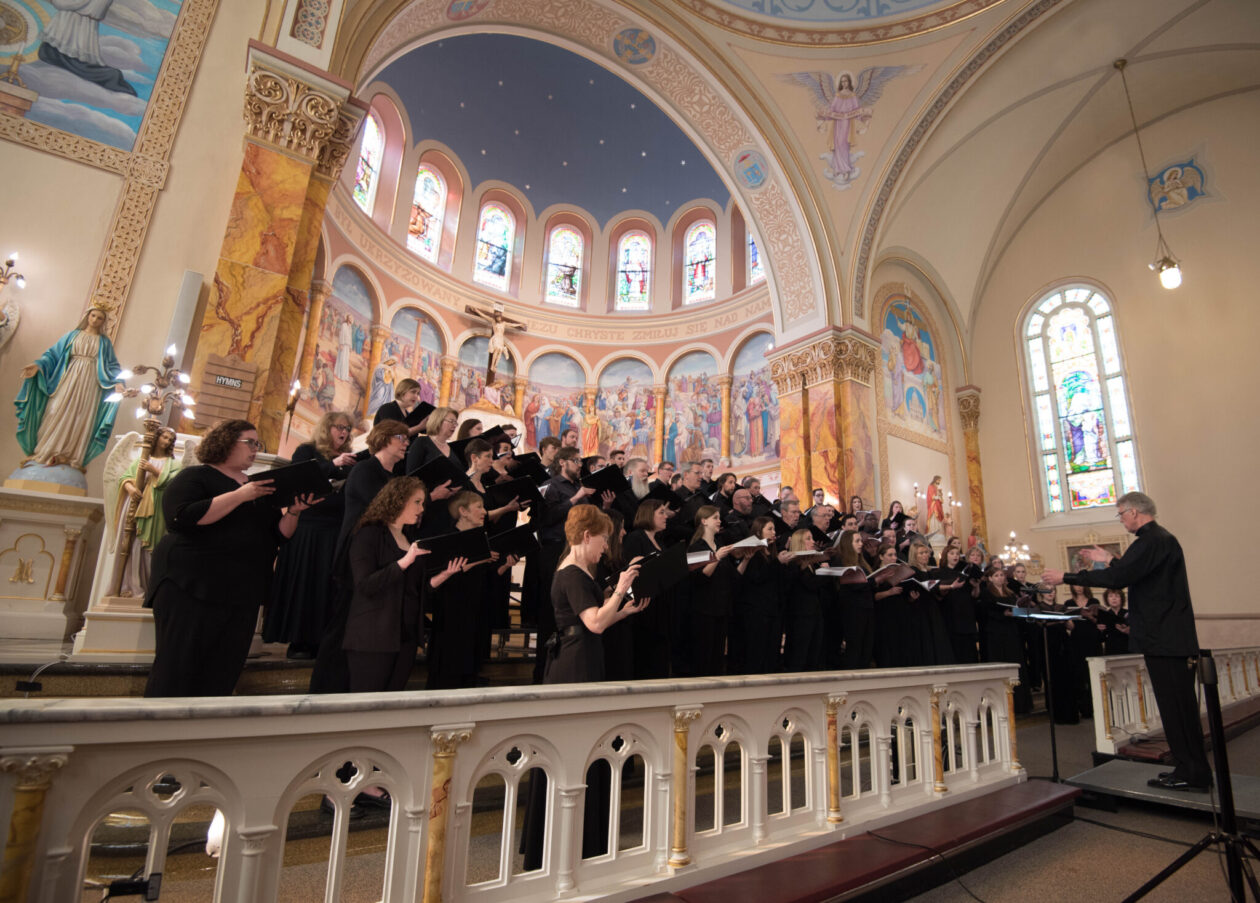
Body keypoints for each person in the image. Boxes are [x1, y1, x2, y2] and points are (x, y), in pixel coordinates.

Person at [1042, 491, 1210, 791]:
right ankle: (1188, 767)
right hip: (1166, 637)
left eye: (1120, 514)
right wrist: (1110, 559)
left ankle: (1192, 772)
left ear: (1134, 512)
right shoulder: (1157, 540)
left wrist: (1066, 577)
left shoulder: (1152, 541)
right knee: (1176, 707)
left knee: (1176, 708)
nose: (1120, 519)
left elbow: (1117, 579)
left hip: (1164, 638)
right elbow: (1133, 571)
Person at [143, 420, 316, 697]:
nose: (255, 449)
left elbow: (278, 536)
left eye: (257, 444)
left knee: (223, 668)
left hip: (241, 592)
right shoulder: (195, 477)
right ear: (225, 442)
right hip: (190, 587)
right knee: (179, 666)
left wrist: (294, 512)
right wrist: (239, 496)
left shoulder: (256, 487)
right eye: (250, 442)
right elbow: (183, 517)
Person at [343, 477, 464, 692]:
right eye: (417, 502)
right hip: (374, 635)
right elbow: (365, 585)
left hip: (405, 636)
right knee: (366, 704)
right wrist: (406, 561)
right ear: (398, 500)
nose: (421, 508)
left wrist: (443, 575)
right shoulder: (369, 533)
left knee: (393, 706)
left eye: (423, 503)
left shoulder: (409, 537)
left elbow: (414, 589)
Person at [264, 411, 357, 659]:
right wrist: (333, 465)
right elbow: (298, 478)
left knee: (327, 587)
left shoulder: (350, 461)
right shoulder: (308, 451)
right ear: (326, 428)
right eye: (339, 427)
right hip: (309, 528)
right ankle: (300, 640)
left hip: (336, 529)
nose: (344, 432)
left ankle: (323, 640)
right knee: (305, 583)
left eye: (348, 428)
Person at [15, 302, 123, 470]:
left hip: (90, 384)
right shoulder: (73, 335)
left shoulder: (104, 343)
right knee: (55, 410)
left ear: (104, 322)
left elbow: (113, 366)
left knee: (81, 416)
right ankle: (43, 451)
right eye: (93, 315)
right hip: (68, 378)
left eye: (99, 318)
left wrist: (118, 383)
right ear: (88, 316)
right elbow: (52, 355)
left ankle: (70, 456)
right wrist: (38, 365)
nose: (95, 320)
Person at [115, 427, 180, 598]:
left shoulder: (174, 464)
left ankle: (149, 587)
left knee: (153, 546)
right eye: (164, 437)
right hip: (139, 505)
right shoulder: (143, 458)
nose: (166, 441)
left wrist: (154, 471)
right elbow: (125, 478)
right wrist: (129, 488)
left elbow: (175, 484)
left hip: (158, 508)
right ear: (157, 437)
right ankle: (131, 585)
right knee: (134, 542)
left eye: (170, 439)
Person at [686, 506, 739, 676]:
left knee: (717, 658)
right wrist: (716, 557)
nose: (719, 521)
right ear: (704, 521)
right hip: (704, 610)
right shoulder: (697, 546)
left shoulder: (719, 545)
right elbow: (701, 577)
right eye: (715, 517)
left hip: (721, 608)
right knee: (704, 656)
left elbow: (734, 576)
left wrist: (746, 558)